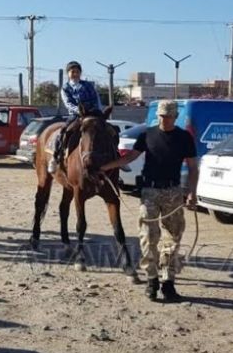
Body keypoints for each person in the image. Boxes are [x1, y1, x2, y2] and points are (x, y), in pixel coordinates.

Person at [100, 100, 198, 303]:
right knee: (148, 237)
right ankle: (152, 280)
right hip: (150, 191)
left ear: (175, 116)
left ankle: (168, 282)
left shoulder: (184, 137)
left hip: (173, 191)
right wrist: (106, 167)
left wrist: (192, 193)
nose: (165, 119)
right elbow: (129, 158)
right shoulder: (147, 135)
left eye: (168, 116)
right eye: (162, 116)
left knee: (173, 238)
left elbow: (193, 167)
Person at [48, 61, 103, 174]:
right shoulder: (65, 88)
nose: (75, 74)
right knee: (64, 132)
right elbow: (68, 103)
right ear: (68, 73)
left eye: (77, 71)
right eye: (72, 71)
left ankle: (116, 155)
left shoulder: (88, 85)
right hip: (76, 114)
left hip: (92, 112)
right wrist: (80, 111)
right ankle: (55, 157)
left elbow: (95, 98)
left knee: (109, 129)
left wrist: (97, 110)